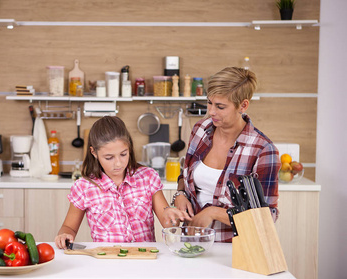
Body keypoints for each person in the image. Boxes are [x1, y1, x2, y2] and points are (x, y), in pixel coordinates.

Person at [172, 67, 280, 242]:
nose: (211, 112)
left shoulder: (262, 150)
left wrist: (214, 213)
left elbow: (267, 216)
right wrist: (180, 194)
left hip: (235, 250)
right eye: (209, 103)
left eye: (220, 106)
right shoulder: (200, 130)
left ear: (243, 105)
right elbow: (185, 175)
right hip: (191, 243)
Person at [55, 116, 191, 249]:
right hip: (107, 263)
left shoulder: (147, 177)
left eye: (123, 154)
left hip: (144, 260)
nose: (118, 163)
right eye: (109, 157)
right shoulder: (84, 187)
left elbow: (169, 223)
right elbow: (69, 227)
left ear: (129, 148)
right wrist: (64, 235)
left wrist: (172, 217)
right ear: (94, 152)